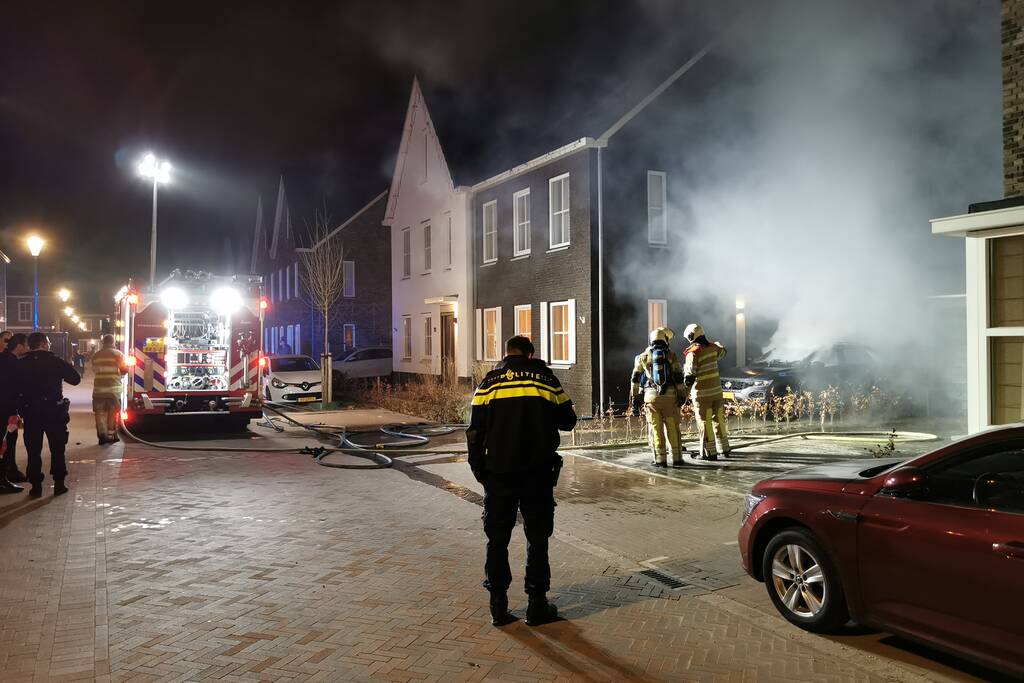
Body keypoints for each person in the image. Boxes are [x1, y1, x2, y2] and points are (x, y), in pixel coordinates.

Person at [466, 335, 577, 627]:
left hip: (499, 475)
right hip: (537, 474)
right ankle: (536, 605)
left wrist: (480, 470)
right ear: (530, 354)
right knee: (538, 538)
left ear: (507, 354)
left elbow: (475, 431)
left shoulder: (488, 383)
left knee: (497, 539)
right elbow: (569, 420)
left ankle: (498, 607)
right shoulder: (545, 380)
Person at [16, 333, 81, 497]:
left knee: (33, 450)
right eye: (49, 343)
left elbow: (14, 387)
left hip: (30, 412)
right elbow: (75, 379)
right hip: (54, 411)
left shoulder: (21, 363)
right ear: (44, 344)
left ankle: (36, 486)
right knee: (57, 449)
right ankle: (59, 484)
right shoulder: (55, 361)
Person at [630, 326, 686, 467]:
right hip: (670, 398)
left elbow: (635, 377)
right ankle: (677, 458)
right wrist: (682, 395)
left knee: (656, 428)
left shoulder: (643, 356)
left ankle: (660, 460)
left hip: (651, 399)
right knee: (672, 427)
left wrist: (635, 395)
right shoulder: (671, 355)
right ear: (665, 340)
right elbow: (679, 377)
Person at [682, 323, 730, 461]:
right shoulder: (713, 348)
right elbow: (723, 351)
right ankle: (724, 449)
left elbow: (689, 377)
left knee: (705, 423)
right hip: (717, 393)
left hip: (702, 395)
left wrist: (683, 394)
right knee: (718, 420)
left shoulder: (693, 353)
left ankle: (709, 453)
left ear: (691, 336)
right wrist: (718, 344)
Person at [0, 332, 29, 490]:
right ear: (19, 346)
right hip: (7, 410)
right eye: (26, 345)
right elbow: (16, 389)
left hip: (5, 408)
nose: (28, 348)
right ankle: (3, 479)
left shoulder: (3, 359)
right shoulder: (13, 363)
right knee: (6, 443)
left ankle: (7, 474)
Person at [90, 334, 128, 445]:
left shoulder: (96, 356)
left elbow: (94, 370)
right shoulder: (118, 355)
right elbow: (124, 370)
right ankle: (111, 436)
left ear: (103, 342)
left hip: (98, 389)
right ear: (113, 342)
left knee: (99, 412)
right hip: (113, 390)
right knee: (113, 412)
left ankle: (102, 436)